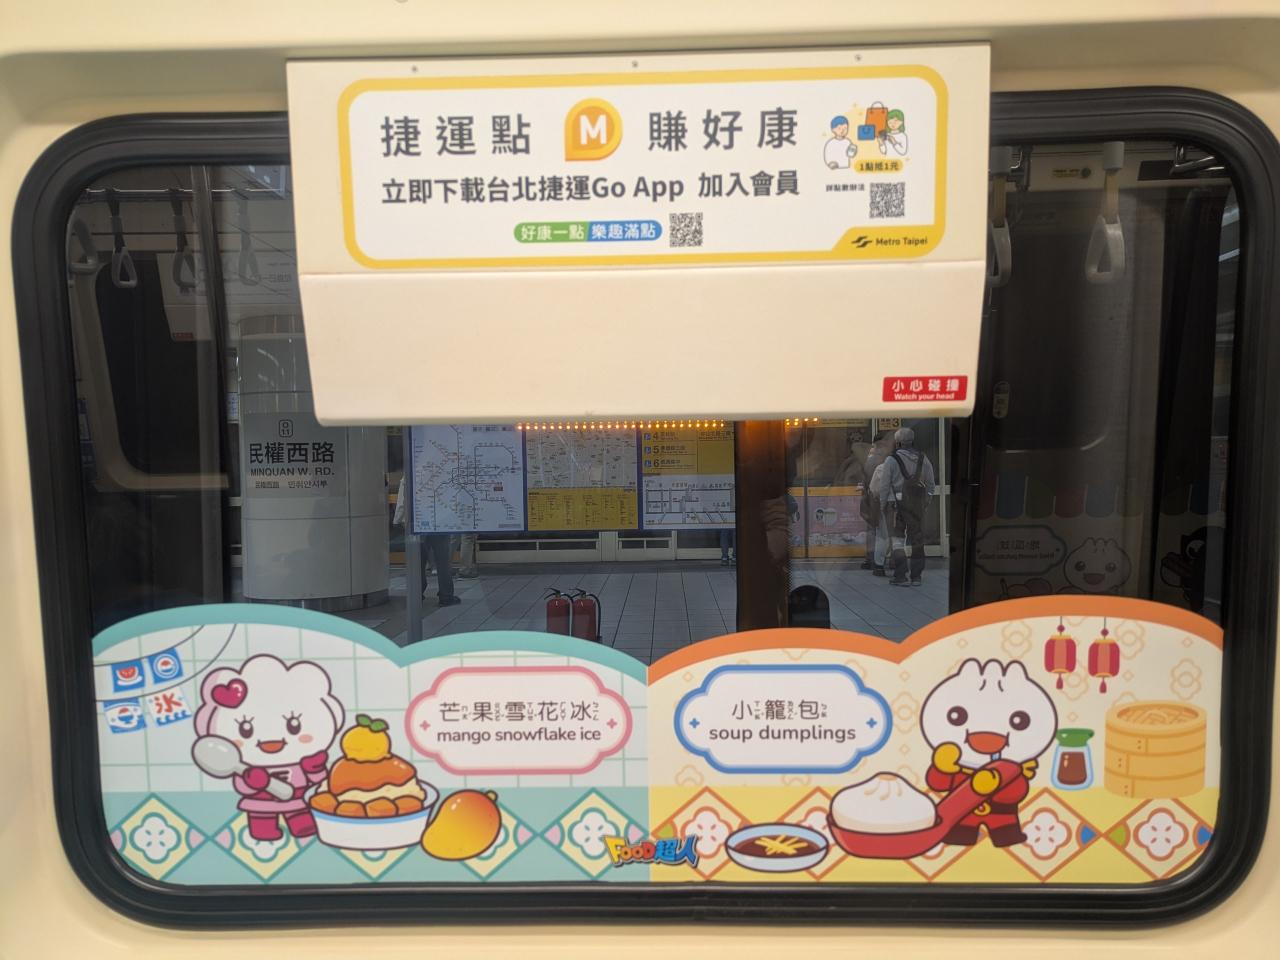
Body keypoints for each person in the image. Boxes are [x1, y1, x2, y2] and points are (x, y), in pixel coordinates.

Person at [879, 427, 935, 586]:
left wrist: (883, 505)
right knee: (917, 540)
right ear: (912, 441)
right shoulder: (923, 459)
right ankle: (916, 577)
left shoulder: (891, 460)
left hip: (895, 506)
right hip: (916, 507)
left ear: (897, 442)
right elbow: (931, 484)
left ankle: (901, 575)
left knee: (897, 540)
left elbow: (884, 486)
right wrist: (925, 502)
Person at [393, 474, 460, 606]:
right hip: (439, 521)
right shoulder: (443, 473)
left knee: (418, 561)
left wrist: (398, 519)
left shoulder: (411, 472)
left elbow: (403, 498)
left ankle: (417, 593)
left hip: (418, 522)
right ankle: (446, 596)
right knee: (442, 560)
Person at [859, 431, 893, 574]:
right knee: (884, 531)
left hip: (870, 497)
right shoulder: (882, 459)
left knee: (872, 529)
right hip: (879, 498)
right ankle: (883, 560)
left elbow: (865, 479)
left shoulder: (869, 457)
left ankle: (870, 558)